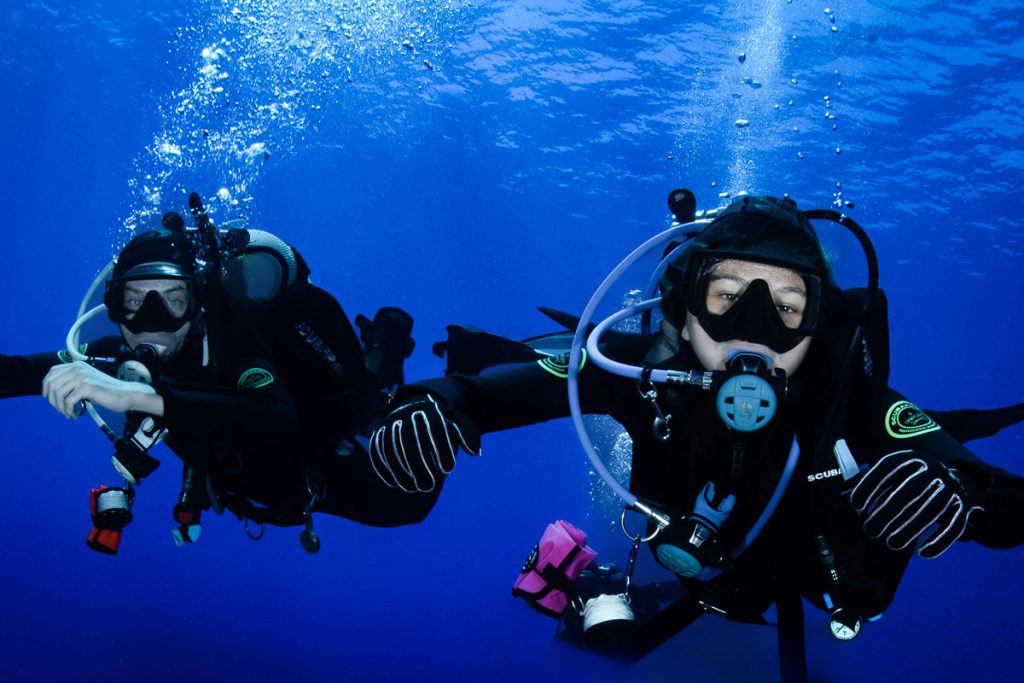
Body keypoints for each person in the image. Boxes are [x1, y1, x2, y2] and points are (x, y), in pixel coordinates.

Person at [366, 193, 1024, 660]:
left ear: (819, 325)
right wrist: (433, 400)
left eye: (788, 305)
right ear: (682, 312)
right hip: (696, 574)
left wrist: (964, 496)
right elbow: (493, 388)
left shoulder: (846, 400)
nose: (755, 326)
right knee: (609, 639)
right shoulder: (641, 369)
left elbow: (1009, 501)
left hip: (816, 585)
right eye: (727, 296)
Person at [0, 195, 436, 554]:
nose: (153, 321)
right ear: (113, 307)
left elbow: (276, 416)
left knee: (407, 502)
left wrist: (138, 398)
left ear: (197, 303)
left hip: (314, 471)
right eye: (134, 302)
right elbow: (17, 372)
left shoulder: (234, 338)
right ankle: (381, 351)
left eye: (173, 300)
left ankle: (407, 359)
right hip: (251, 490)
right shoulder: (111, 362)